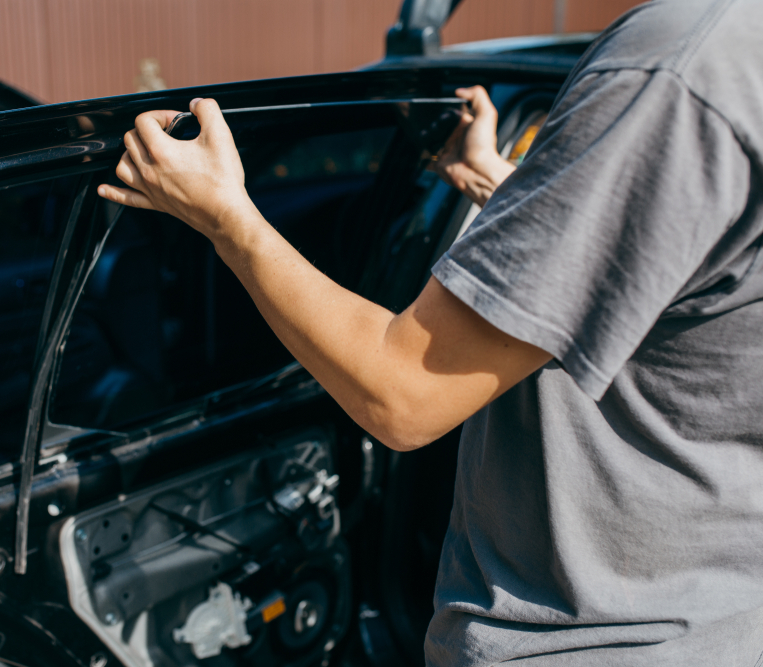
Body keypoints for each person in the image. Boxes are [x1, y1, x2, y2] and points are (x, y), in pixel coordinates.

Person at [97, 0, 763, 663]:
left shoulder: (680, 67)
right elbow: (695, 293)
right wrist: (501, 185)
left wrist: (225, 219)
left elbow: (404, 391)